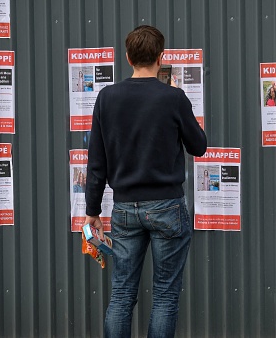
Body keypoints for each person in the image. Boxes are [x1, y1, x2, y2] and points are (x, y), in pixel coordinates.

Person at [84, 25, 207, 338]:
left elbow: (96, 161)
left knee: (122, 294)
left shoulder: (107, 98)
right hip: (167, 207)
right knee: (165, 296)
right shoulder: (173, 98)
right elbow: (199, 146)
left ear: (128, 57)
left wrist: (92, 211)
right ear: (161, 57)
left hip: (125, 209)